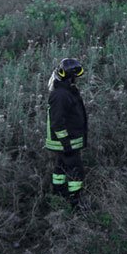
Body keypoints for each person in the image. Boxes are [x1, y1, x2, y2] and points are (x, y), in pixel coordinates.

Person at [45, 58, 88, 208]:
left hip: (67, 141)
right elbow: (57, 122)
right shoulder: (61, 95)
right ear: (69, 76)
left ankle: (58, 193)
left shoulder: (66, 90)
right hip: (66, 141)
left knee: (60, 168)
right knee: (76, 170)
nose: (76, 80)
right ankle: (76, 201)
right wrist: (66, 144)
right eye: (75, 77)